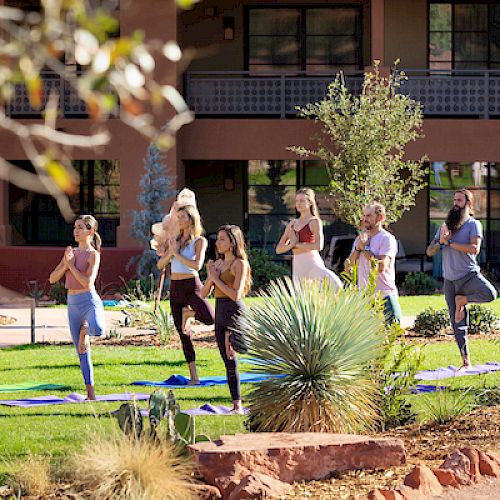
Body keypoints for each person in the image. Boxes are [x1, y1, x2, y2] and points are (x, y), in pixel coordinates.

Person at [426, 188, 497, 369]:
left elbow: (475, 248)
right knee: (456, 321)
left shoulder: (473, 224)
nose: (455, 204)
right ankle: (465, 360)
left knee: (490, 294)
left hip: (469, 275)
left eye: (459, 200)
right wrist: (440, 242)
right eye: (454, 200)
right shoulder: (445, 225)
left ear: (469, 204)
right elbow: (429, 251)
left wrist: (450, 243)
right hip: (450, 280)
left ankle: (463, 299)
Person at [49, 215, 105, 400]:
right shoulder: (70, 253)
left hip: (88, 300)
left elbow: (87, 282)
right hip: (72, 304)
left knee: (98, 329)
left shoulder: (93, 255)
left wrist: (71, 266)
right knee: (82, 352)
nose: (76, 230)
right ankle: (91, 395)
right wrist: (65, 264)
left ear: (91, 231)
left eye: (80, 227)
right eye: (75, 227)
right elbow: (52, 278)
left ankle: (85, 331)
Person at [158, 205, 214, 384]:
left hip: (192, 285)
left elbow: (197, 265)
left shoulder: (199, 241)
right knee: (184, 334)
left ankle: (189, 314)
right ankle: (194, 377)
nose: (179, 220)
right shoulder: (174, 239)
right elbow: (160, 265)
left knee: (210, 318)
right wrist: (171, 253)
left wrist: (176, 255)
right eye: (178, 217)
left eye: (183, 217)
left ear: (191, 219)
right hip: (175, 287)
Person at [201, 225, 251, 414]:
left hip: (234, 313)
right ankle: (235, 403)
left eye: (222, 239)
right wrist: (210, 277)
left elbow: (236, 294)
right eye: (218, 238)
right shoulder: (218, 264)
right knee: (226, 360)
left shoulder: (239, 264)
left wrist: (217, 278)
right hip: (220, 313)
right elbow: (205, 293)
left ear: (232, 242)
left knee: (232, 357)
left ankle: (238, 405)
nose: (218, 242)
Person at [344, 202, 402, 324]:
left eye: (369, 216)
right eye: (364, 216)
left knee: (391, 338)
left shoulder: (387, 239)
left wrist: (365, 248)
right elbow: (348, 267)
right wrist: (358, 249)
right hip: (365, 298)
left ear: (380, 218)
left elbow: (381, 267)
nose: (365, 219)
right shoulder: (360, 239)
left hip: (385, 296)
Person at [276, 187, 342, 290]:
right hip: (298, 265)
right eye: (297, 201)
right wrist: (290, 245)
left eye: (302, 201)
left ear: (310, 202)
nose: (298, 203)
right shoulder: (292, 223)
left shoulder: (314, 221)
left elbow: (318, 246)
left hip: (312, 263)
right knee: (301, 298)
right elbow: (279, 249)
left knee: (336, 285)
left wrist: (295, 244)